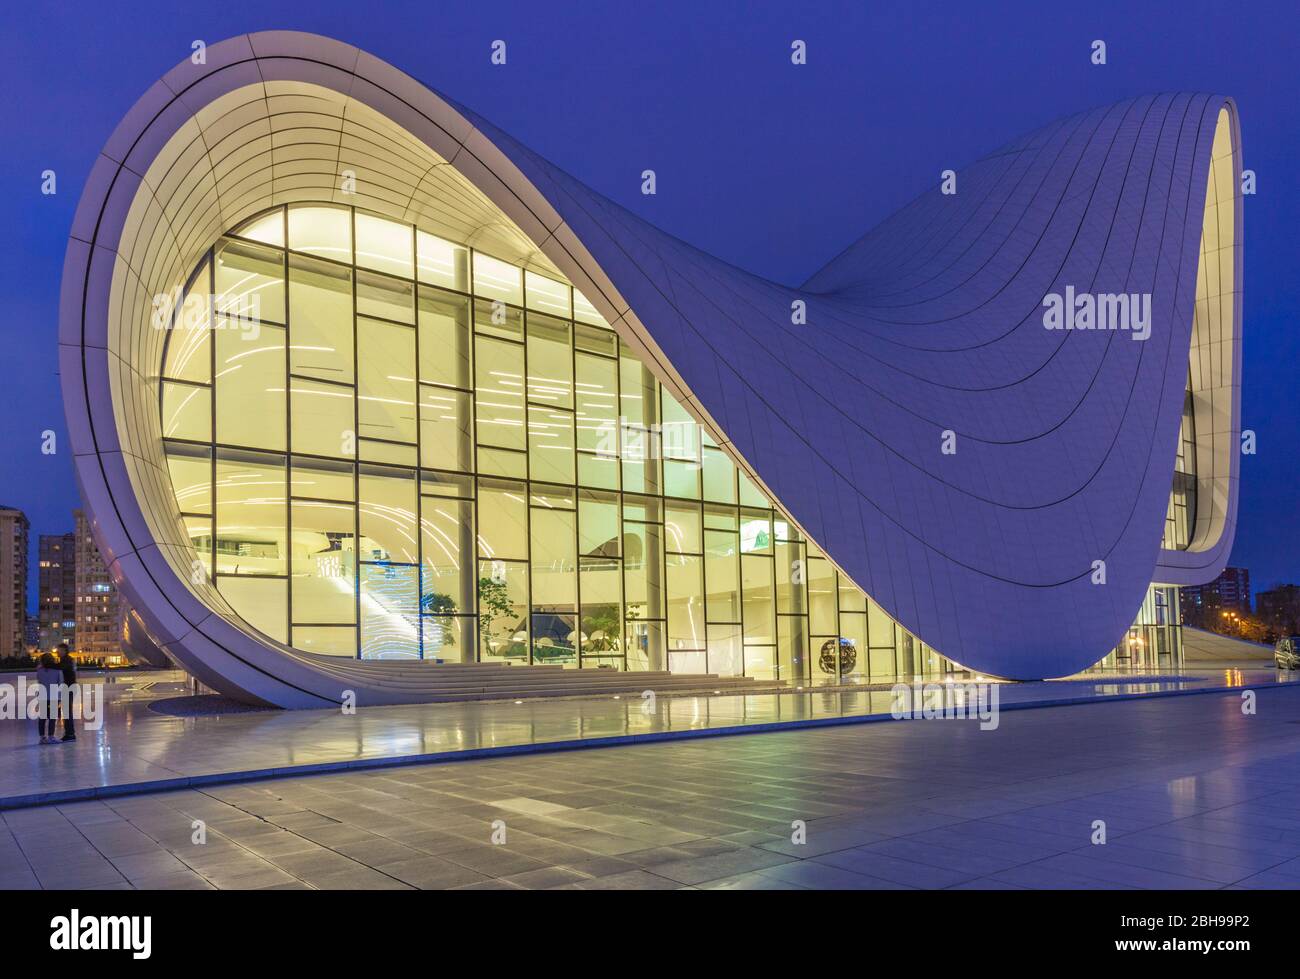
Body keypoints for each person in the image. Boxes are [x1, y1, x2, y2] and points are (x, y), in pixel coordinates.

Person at [34, 653, 60, 744]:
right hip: (53, 696)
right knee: (52, 717)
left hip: (43, 695)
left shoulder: (39, 671)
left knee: (43, 717)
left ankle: (42, 737)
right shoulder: (57, 670)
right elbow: (60, 683)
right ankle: (51, 737)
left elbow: (39, 681)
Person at [56, 643, 78, 742]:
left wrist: (46, 664)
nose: (57, 652)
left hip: (68, 688)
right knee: (66, 711)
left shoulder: (67, 660)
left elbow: (59, 667)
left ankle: (70, 734)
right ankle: (69, 733)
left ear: (64, 651)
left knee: (67, 711)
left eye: (59, 650)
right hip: (68, 687)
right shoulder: (67, 660)